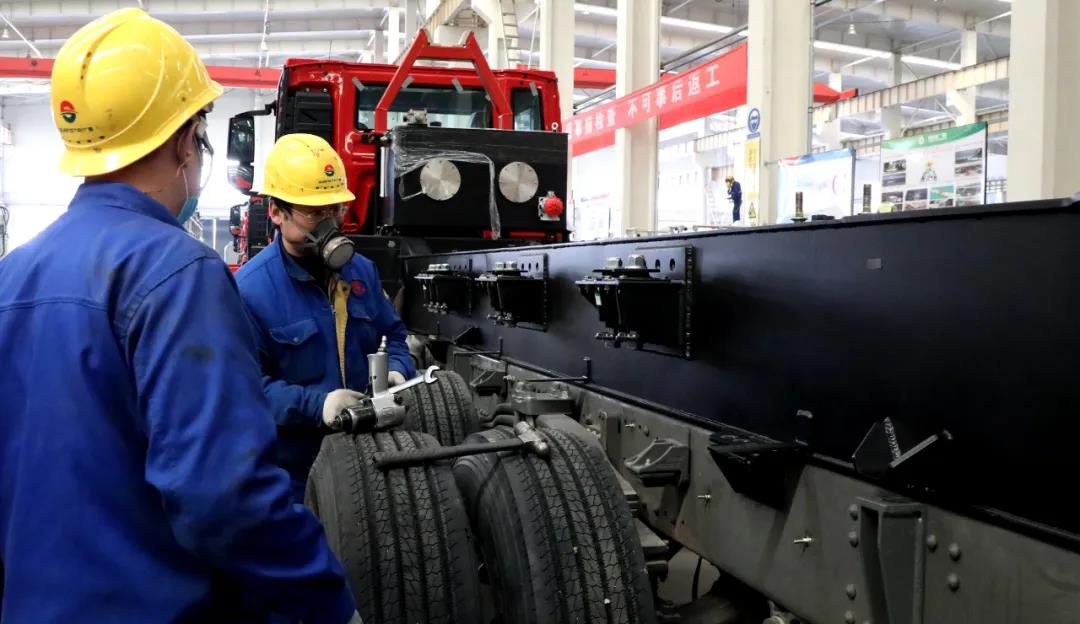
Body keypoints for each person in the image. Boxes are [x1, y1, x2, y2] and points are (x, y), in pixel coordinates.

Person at [0, 9, 359, 623]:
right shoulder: (178, 272)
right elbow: (225, 498)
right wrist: (328, 601)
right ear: (185, 140)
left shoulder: (13, 274)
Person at [236, 133, 415, 501]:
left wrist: (397, 371)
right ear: (276, 212)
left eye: (335, 210)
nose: (329, 224)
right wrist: (319, 406)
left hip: (368, 461)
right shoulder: (249, 291)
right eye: (315, 213)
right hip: (295, 478)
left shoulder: (361, 272)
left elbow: (394, 337)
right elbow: (245, 391)